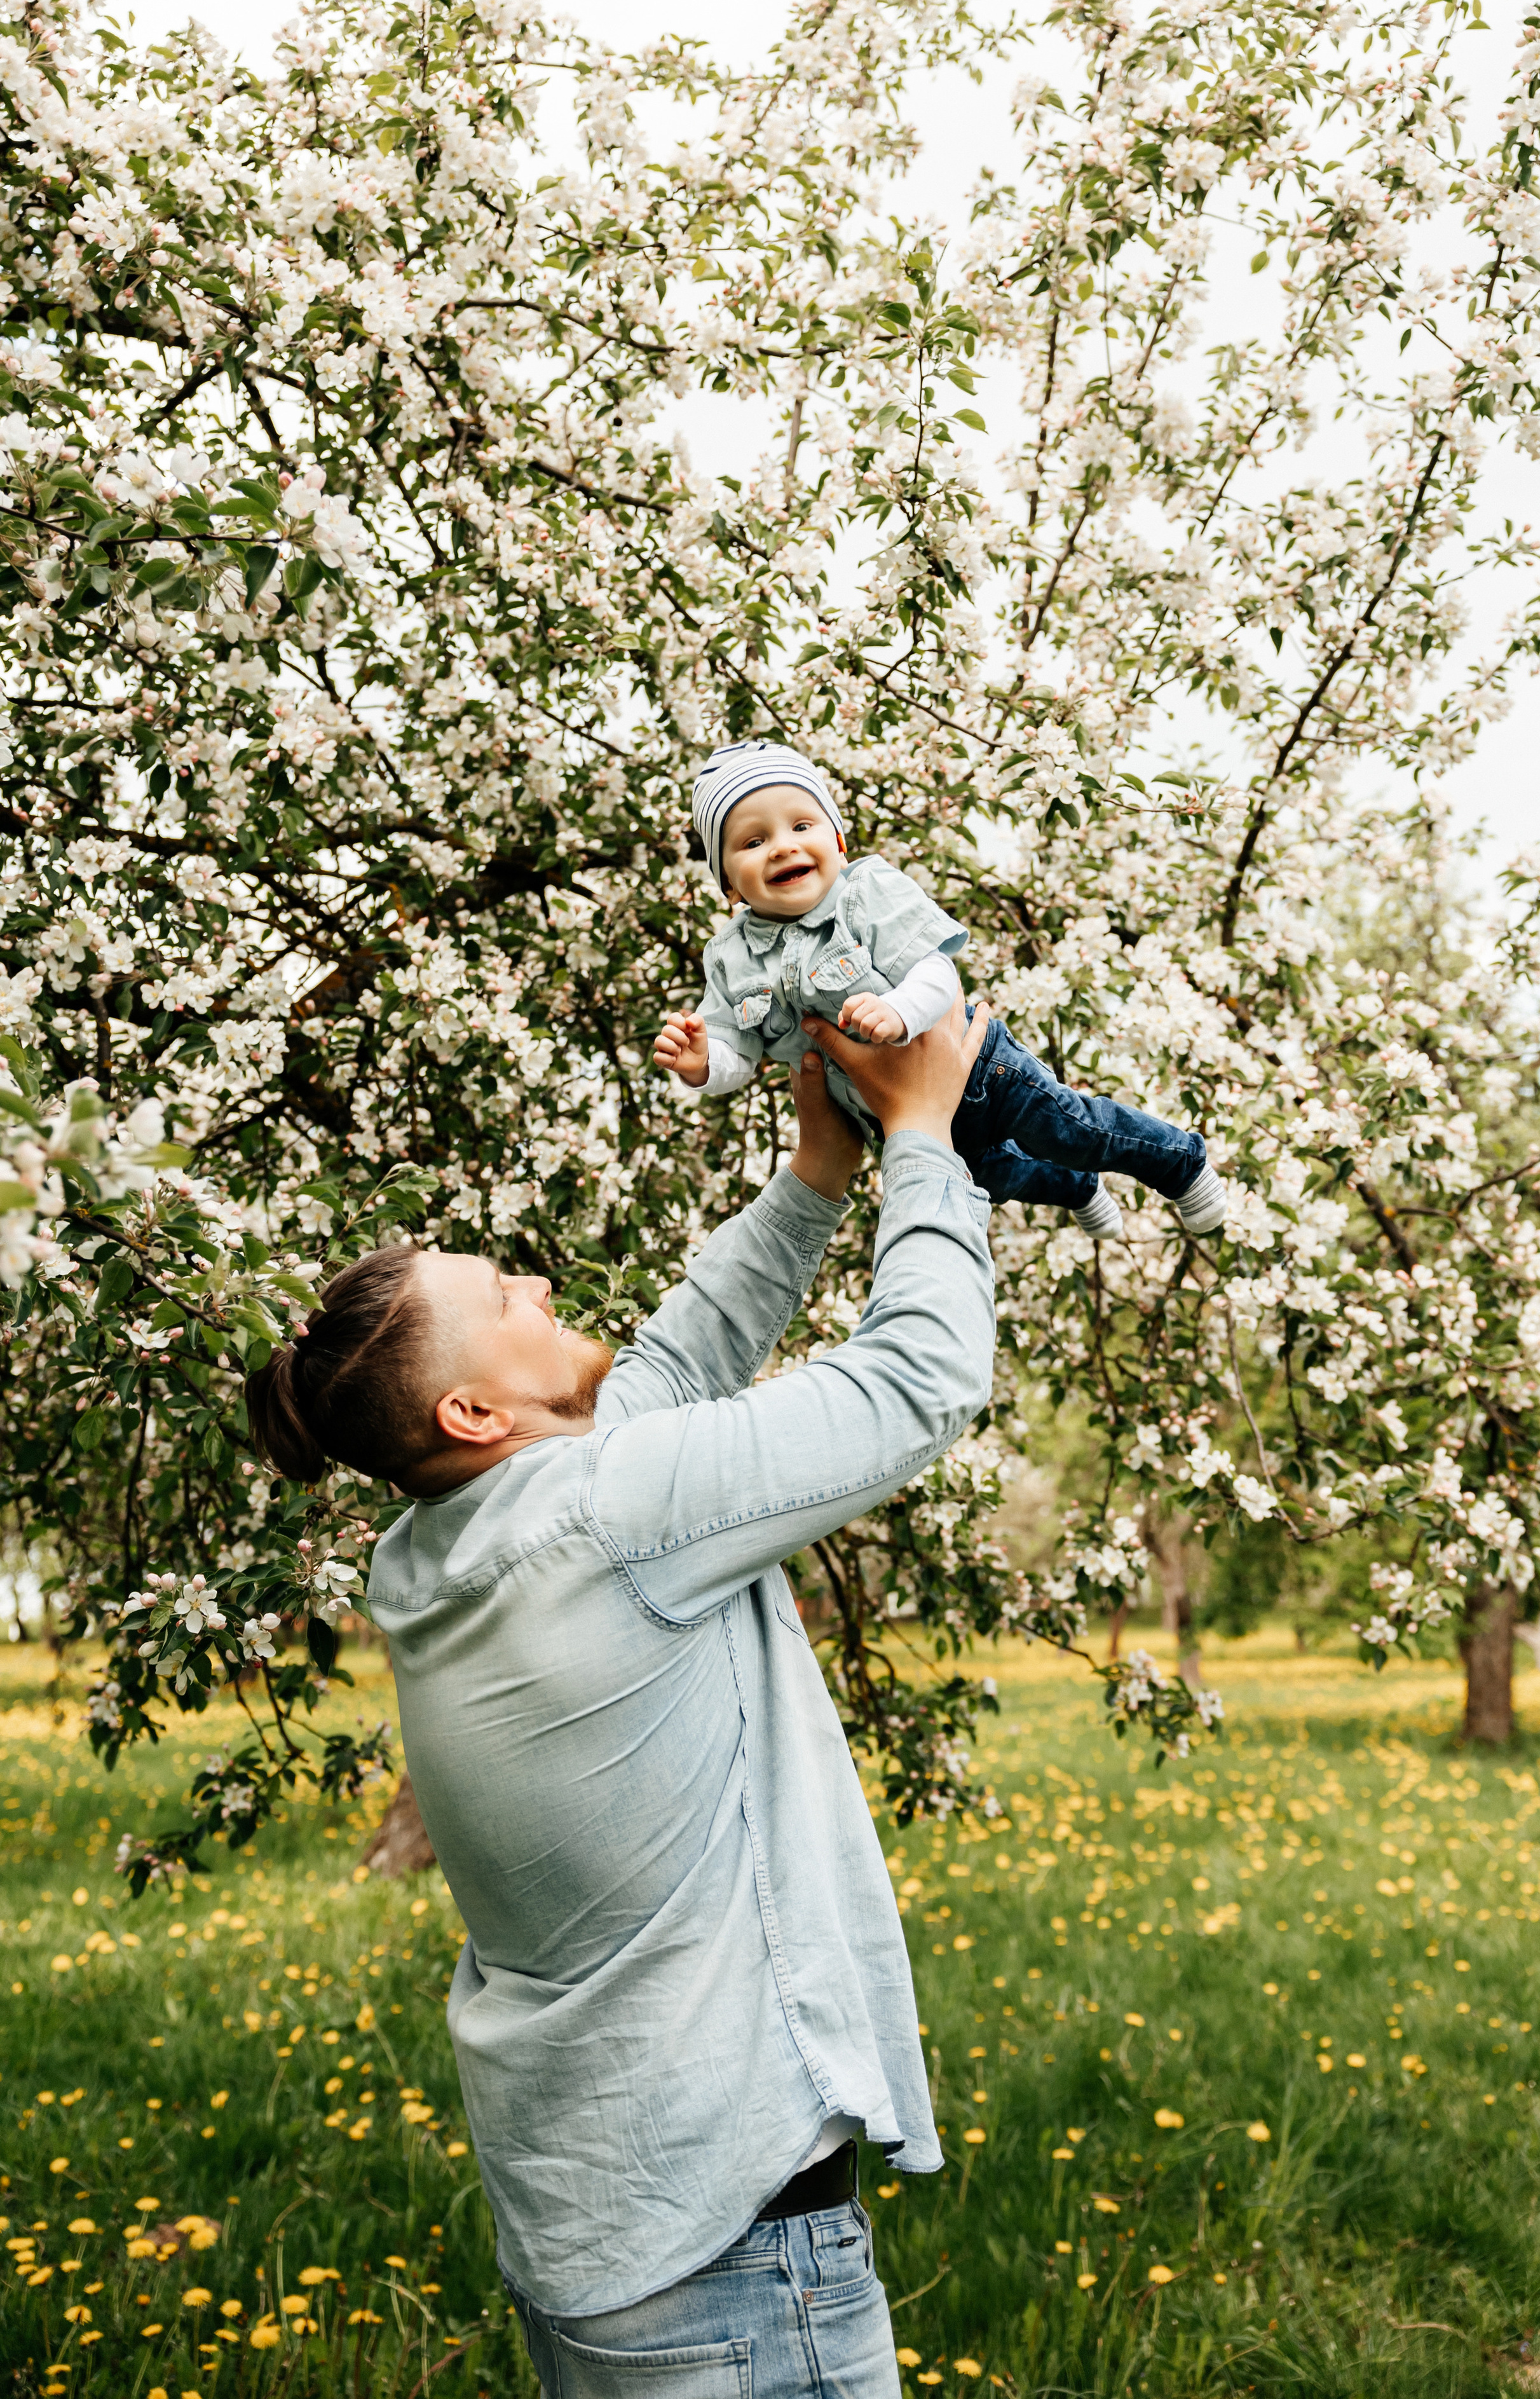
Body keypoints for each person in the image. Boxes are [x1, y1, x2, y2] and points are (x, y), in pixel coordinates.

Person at [246, 1003, 997, 2399]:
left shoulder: (437, 1551)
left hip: (605, 2246)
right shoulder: (603, 1517)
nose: (533, 1282)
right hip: (731, 2260)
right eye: (505, 1298)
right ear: (476, 1415)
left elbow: (654, 1379)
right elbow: (917, 1379)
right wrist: (923, 1134)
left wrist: (811, 1180)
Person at [655, 736, 1227, 1241]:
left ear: (838, 840)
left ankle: (1180, 1162)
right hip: (890, 1113)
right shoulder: (730, 958)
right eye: (753, 842)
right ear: (729, 884)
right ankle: (1075, 1189)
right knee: (995, 1177)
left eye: (801, 826)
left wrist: (900, 1011)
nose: (782, 846)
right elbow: (739, 1053)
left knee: (1073, 1129)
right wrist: (704, 1063)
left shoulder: (867, 892)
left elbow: (937, 974)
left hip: (977, 1067)